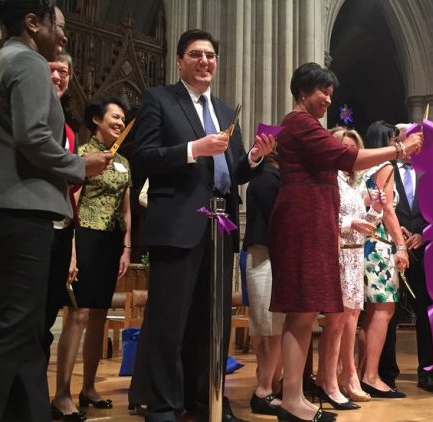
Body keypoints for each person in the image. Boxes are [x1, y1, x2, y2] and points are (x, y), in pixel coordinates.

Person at [129, 29, 274, 422]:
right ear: (180, 62)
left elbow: (236, 171)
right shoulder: (159, 99)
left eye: (210, 55)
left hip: (220, 225)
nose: (205, 61)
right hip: (178, 223)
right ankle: (162, 405)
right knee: (168, 321)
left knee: (212, 322)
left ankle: (207, 401)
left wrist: (256, 158)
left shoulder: (227, 112)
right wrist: (194, 149)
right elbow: (142, 157)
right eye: (195, 54)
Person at [0, 2, 110, 420]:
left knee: (23, 327)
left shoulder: (4, 60)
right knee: (11, 326)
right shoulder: (30, 63)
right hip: (21, 207)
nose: (65, 36)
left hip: (3, 206)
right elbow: (33, 137)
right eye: (60, 26)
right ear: (33, 23)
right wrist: (79, 165)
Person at [268, 62, 422, 422]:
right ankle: (290, 398)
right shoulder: (299, 123)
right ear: (303, 92)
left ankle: (295, 396)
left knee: (306, 313)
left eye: (330, 94)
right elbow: (349, 158)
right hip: (302, 223)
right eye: (322, 92)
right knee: (300, 312)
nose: (327, 100)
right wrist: (398, 150)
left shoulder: (308, 125)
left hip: (314, 223)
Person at [51, 98, 131, 418]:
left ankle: (89, 387)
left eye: (123, 118)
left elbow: (126, 209)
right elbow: (73, 201)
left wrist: (126, 246)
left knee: (99, 316)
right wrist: (70, 249)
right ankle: (61, 393)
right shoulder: (82, 155)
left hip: (111, 242)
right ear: (96, 119)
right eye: (114, 116)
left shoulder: (124, 160)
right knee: (79, 315)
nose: (120, 122)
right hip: (84, 237)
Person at [315, 128, 384, 410]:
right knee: (336, 321)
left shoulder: (350, 181)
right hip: (337, 255)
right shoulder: (327, 177)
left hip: (355, 257)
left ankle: (342, 375)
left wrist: (376, 211)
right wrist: (349, 225)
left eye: (351, 149)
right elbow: (321, 217)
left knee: (350, 318)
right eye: (342, 147)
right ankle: (329, 381)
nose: (347, 153)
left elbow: (362, 224)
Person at [380, 123, 433, 393]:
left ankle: (427, 372)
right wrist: (397, 237)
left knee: (426, 310)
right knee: (386, 310)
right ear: (398, 140)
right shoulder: (385, 170)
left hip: (422, 249)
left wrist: (424, 234)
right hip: (390, 247)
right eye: (410, 138)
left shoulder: (429, 173)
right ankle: (386, 373)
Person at [357, 121, 409, 400]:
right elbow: (387, 210)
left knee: (370, 312)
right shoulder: (386, 167)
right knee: (383, 310)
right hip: (379, 247)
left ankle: (361, 373)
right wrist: (400, 245)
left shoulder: (365, 167)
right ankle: (372, 376)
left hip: (367, 243)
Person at [43, 52, 81, 363]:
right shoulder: (25, 108)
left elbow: (73, 187)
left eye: (65, 71)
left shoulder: (69, 132)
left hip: (60, 229)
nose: (59, 76)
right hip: (29, 223)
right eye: (53, 69)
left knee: (46, 315)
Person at [243, 151, 284, 416]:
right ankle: (263, 390)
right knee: (270, 328)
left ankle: (269, 384)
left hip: (267, 257)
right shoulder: (270, 178)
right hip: (266, 257)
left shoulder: (266, 176)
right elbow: (280, 220)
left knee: (271, 328)